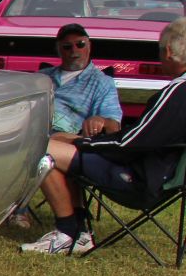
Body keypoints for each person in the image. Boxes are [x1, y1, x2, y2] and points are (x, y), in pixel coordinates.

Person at [21, 17, 186, 255]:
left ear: (168, 51)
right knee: (57, 147)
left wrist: (83, 142)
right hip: (165, 178)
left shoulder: (177, 92)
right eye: (66, 46)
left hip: (138, 178)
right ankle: (78, 232)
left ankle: (68, 233)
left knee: (43, 147)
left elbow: (129, 142)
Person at [42, 23, 122, 140]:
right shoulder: (42, 76)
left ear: (89, 46)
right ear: (58, 49)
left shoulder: (102, 82)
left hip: (63, 139)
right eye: (67, 46)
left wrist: (101, 121)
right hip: (28, 128)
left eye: (80, 44)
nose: (74, 50)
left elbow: (114, 127)